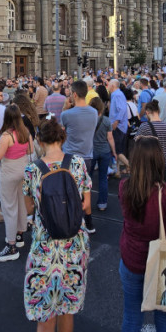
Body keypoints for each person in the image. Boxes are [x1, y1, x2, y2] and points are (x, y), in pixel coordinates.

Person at [118, 136, 166, 332]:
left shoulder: (124, 187)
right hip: (164, 265)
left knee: (132, 317)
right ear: (159, 161)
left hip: (132, 261)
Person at [23, 117, 92, 332]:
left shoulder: (32, 170)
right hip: (74, 244)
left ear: (39, 140)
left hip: (45, 247)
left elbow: (29, 208)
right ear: (62, 138)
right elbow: (86, 205)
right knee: (66, 310)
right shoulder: (78, 163)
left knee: (45, 315)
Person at [0, 104, 33, 261]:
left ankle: (11, 245)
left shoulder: (7, 136)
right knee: (20, 204)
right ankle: (19, 235)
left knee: (9, 207)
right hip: (23, 169)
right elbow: (30, 151)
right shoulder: (25, 132)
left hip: (9, 172)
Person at [59, 80, 98, 232]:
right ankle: (89, 223)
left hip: (70, 157)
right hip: (87, 156)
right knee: (85, 191)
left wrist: (65, 108)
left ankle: (73, 221)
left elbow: (62, 132)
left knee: (69, 192)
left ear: (74, 94)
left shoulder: (66, 114)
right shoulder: (94, 112)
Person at [88, 98, 117, 211]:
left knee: (88, 178)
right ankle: (102, 203)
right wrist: (114, 151)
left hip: (91, 150)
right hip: (104, 151)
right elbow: (110, 138)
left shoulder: (89, 120)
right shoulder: (106, 120)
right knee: (103, 178)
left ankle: (86, 202)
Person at [136, 99, 166, 174]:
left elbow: (137, 143)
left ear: (147, 112)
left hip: (148, 164)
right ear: (159, 112)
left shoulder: (144, 126)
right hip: (163, 164)